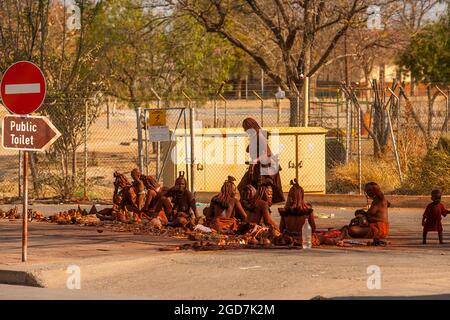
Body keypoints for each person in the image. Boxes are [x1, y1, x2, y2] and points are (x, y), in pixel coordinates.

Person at [237, 117, 285, 204]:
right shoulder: (255, 137)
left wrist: (256, 160)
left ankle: (262, 209)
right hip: (258, 167)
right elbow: (248, 150)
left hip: (265, 169)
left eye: (246, 128)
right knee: (244, 187)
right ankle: (254, 208)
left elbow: (268, 153)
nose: (245, 130)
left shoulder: (260, 137)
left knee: (261, 190)